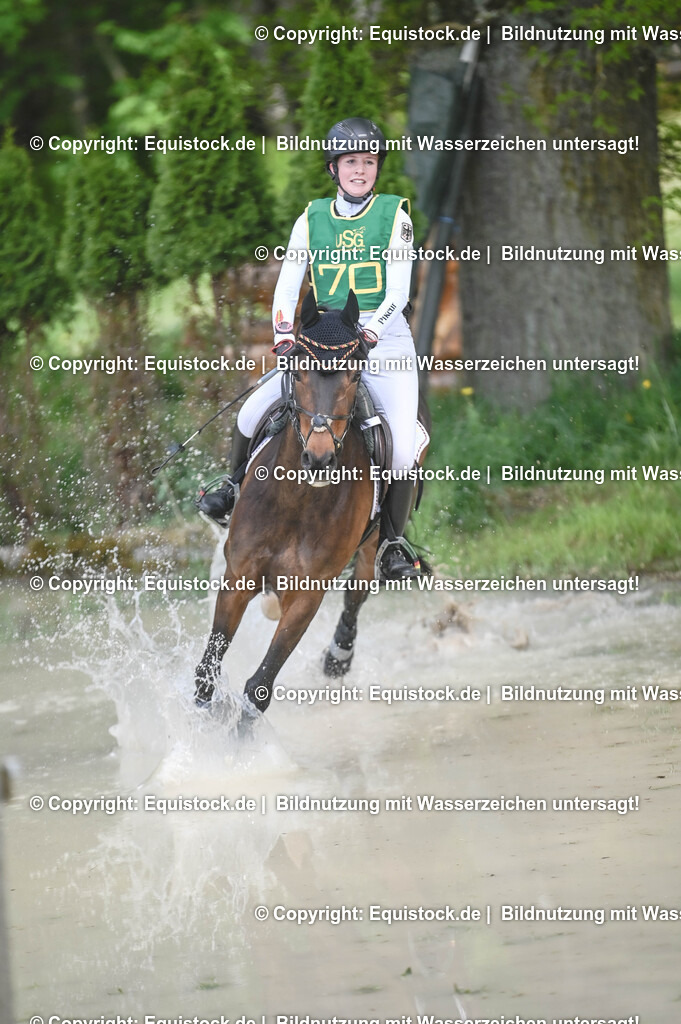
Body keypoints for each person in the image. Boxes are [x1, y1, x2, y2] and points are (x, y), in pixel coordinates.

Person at [198, 116, 422, 580]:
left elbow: (398, 292)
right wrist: (283, 335)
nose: (361, 170)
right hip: (321, 338)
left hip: (384, 342)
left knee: (401, 450)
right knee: (250, 411)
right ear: (334, 167)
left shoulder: (395, 217)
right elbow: (287, 284)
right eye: (351, 161)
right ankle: (233, 487)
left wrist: (371, 332)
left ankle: (391, 545)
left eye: (369, 161)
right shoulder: (311, 218)